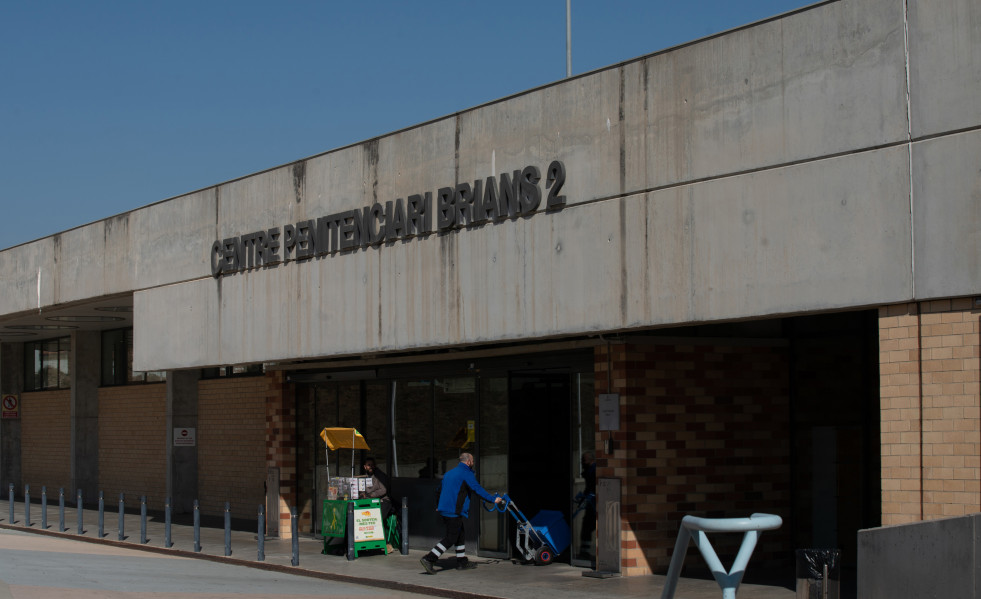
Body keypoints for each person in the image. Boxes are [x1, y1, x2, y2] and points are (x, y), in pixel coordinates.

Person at [419, 452, 503, 574]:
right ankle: (429, 558)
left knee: (460, 535)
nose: (473, 463)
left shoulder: (449, 473)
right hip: (454, 511)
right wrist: (492, 499)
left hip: (446, 510)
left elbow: (438, 490)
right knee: (451, 538)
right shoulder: (465, 473)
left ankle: (461, 562)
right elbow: (477, 489)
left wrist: (438, 505)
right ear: (468, 462)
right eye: (473, 461)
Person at [578, 451, 597, 559]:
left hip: (593, 503)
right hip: (591, 502)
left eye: (583, 460)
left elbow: (591, 487)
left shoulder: (593, 470)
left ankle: (585, 551)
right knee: (587, 527)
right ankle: (584, 550)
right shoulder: (590, 470)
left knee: (588, 526)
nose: (582, 462)